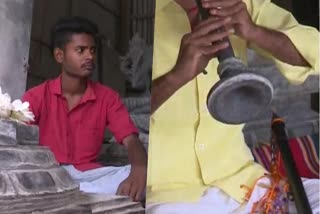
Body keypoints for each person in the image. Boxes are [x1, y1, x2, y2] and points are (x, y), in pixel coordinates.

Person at [146, 0, 319, 213]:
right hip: (170, 193)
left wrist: (254, 31)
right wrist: (176, 76)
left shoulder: (238, 3)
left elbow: (316, 52)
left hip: (241, 182)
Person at [22, 17, 147, 202]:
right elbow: (19, 142)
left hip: (91, 176)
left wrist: (140, 168)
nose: (89, 56)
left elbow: (130, 138)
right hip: (49, 175)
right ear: (59, 55)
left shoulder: (107, 97)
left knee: (149, 178)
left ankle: (74, 194)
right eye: (80, 50)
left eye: (92, 50)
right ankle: (81, 195)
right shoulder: (36, 97)